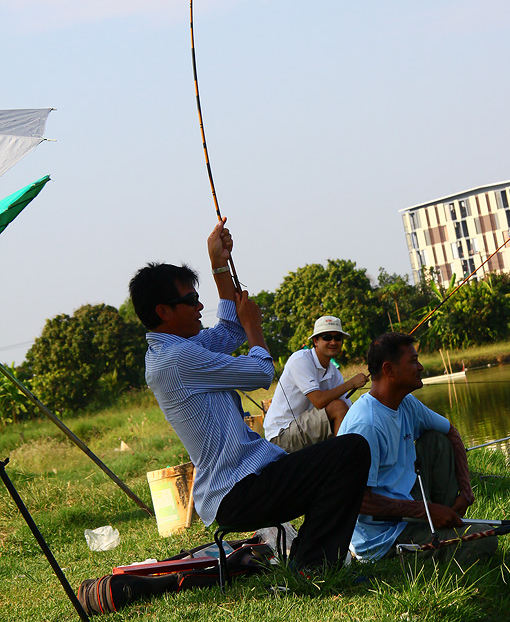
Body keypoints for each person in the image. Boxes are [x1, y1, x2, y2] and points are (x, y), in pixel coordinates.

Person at [128, 219, 370, 571]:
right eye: (191, 300)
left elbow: (228, 329)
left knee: (343, 456)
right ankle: (312, 564)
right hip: (237, 490)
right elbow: (260, 372)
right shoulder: (176, 359)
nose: (200, 307)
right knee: (350, 451)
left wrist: (219, 265)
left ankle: (310, 558)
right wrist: (255, 327)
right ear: (164, 312)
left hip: (252, 477)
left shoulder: (176, 348)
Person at [337, 331, 497, 564]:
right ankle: (435, 530)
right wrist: (426, 510)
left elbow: (450, 430)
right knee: (486, 539)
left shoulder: (406, 403)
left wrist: (466, 490)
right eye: (413, 361)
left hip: (409, 511)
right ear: (389, 370)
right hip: (382, 540)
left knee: (437, 439)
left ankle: (444, 520)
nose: (420, 367)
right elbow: (359, 501)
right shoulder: (366, 424)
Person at [263, 315, 369, 452]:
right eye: (327, 337)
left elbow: (349, 412)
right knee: (337, 407)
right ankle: (343, 461)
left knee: (350, 417)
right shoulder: (300, 359)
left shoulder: (333, 372)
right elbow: (319, 401)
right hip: (281, 435)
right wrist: (351, 384)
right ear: (316, 341)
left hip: (303, 430)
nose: (333, 342)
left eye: (338, 338)